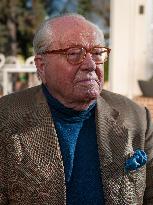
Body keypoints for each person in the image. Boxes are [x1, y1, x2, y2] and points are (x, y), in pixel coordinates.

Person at [0, 13, 153, 205]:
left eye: (97, 53)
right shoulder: (5, 118)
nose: (90, 65)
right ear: (41, 66)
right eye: (73, 53)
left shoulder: (138, 118)